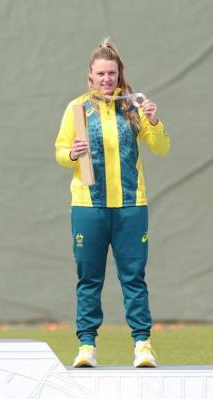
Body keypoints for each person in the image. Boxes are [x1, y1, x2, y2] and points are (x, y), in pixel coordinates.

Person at [55, 39, 170, 368]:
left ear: (120, 75)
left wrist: (154, 121)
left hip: (132, 206)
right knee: (89, 277)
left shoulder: (134, 107)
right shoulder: (77, 109)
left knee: (133, 276)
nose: (107, 79)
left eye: (112, 73)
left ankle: (143, 345)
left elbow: (160, 147)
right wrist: (71, 154)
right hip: (88, 206)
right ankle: (87, 347)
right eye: (101, 73)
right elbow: (60, 152)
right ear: (90, 76)